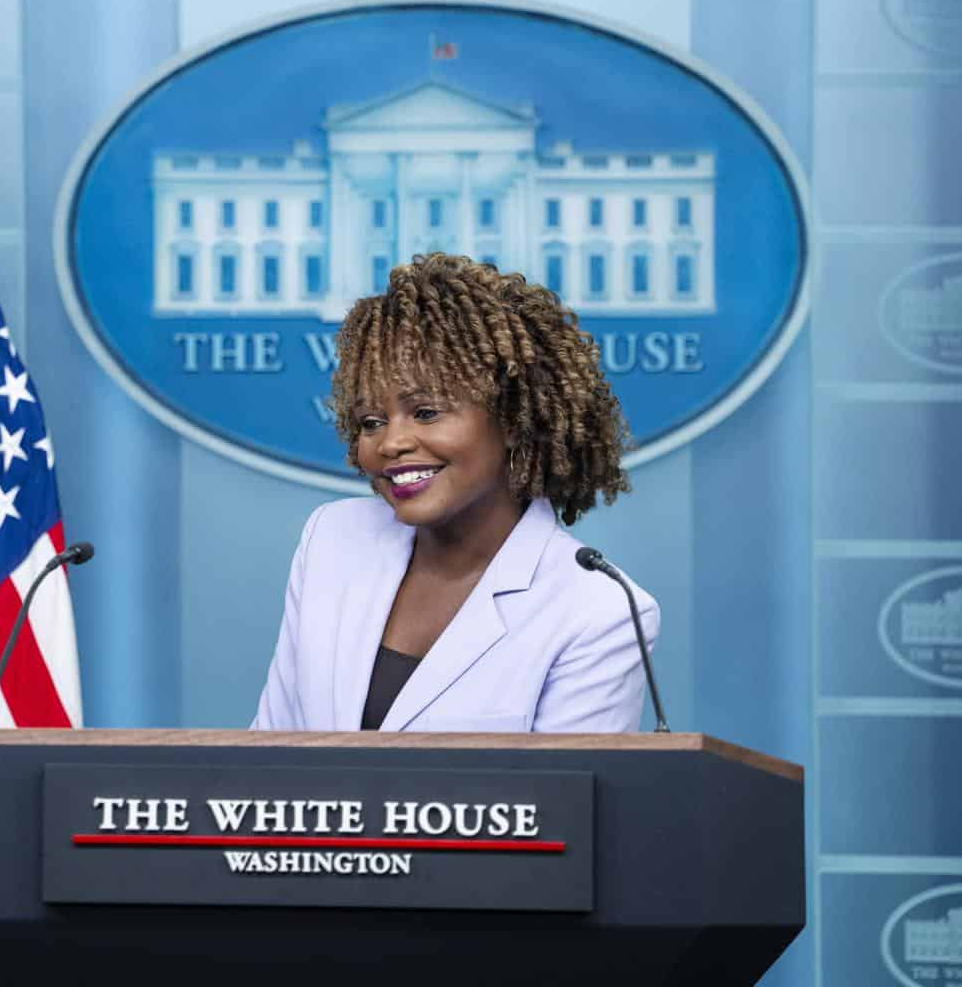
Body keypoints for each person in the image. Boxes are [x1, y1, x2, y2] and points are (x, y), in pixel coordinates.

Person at [251, 252, 659, 733]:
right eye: (371, 422)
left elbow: (562, 803)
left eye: (425, 413)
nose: (392, 442)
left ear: (511, 420)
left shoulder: (598, 612)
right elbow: (270, 754)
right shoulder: (331, 541)